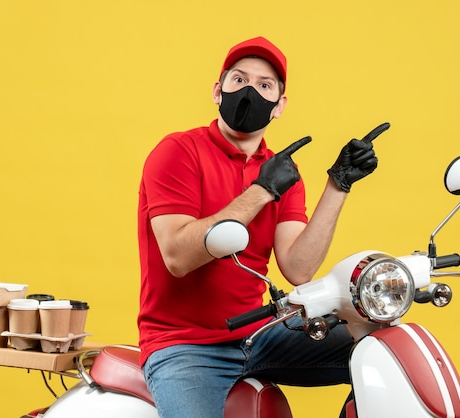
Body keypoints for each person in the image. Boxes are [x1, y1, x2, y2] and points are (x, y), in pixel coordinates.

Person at [137, 36, 384, 418]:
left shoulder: (285, 173)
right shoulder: (178, 152)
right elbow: (177, 256)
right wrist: (261, 190)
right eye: (239, 80)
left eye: (264, 85)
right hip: (185, 346)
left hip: (259, 334)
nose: (250, 90)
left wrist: (339, 184)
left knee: (384, 352)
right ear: (218, 91)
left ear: (279, 106)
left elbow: (298, 268)